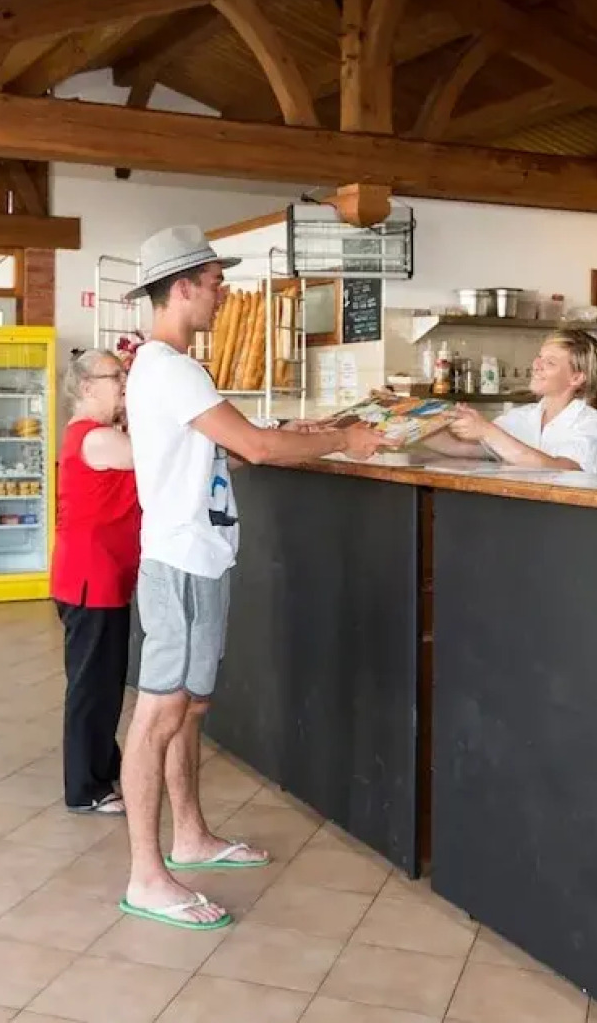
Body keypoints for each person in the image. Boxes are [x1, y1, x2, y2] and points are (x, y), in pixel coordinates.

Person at [117, 225, 393, 931]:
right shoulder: (169, 367)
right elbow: (257, 448)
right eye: (215, 282)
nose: (223, 293)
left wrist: (309, 431)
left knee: (188, 710)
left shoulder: (175, 368)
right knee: (157, 715)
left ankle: (188, 836)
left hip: (203, 556)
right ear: (183, 287)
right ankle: (146, 877)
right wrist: (344, 439)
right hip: (179, 560)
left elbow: (230, 454)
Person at [51, 349, 138, 816]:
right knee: (93, 688)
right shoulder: (96, 437)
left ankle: (102, 770)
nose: (123, 384)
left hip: (102, 577)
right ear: (86, 387)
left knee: (103, 683)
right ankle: (86, 787)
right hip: (91, 579)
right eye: (115, 377)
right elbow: (159, 456)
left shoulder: (99, 434)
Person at [425, 329, 597, 475]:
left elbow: (565, 471)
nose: (536, 365)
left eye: (550, 362)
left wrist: (487, 430)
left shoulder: (595, 426)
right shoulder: (520, 417)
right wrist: (417, 427)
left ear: (576, 378)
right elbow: (461, 448)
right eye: (539, 357)